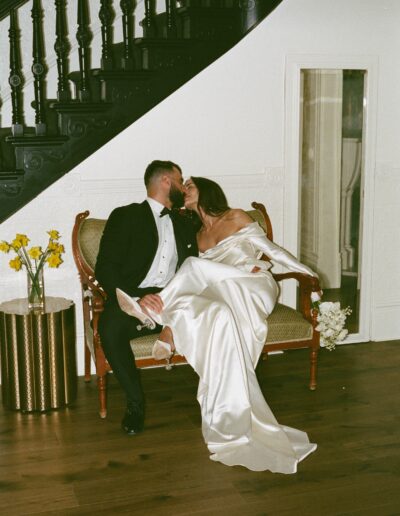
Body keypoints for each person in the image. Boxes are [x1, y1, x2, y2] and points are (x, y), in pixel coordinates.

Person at [117, 176, 319, 473]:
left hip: (252, 285)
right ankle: (171, 328)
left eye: (190, 186)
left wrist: (310, 275)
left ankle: (156, 317)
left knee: (192, 268)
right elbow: (201, 280)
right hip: (223, 291)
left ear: (206, 190)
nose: (183, 191)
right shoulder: (197, 235)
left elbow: (273, 251)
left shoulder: (236, 216)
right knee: (202, 302)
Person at [95, 160, 198, 435]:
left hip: (175, 297)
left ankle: (217, 401)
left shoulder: (186, 221)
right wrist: (135, 299)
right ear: (165, 181)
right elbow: (105, 266)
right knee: (110, 327)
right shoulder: (126, 216)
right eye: (180, 180)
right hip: (136, 298)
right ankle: (135, 404)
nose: (183, 186)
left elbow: (197, 263)